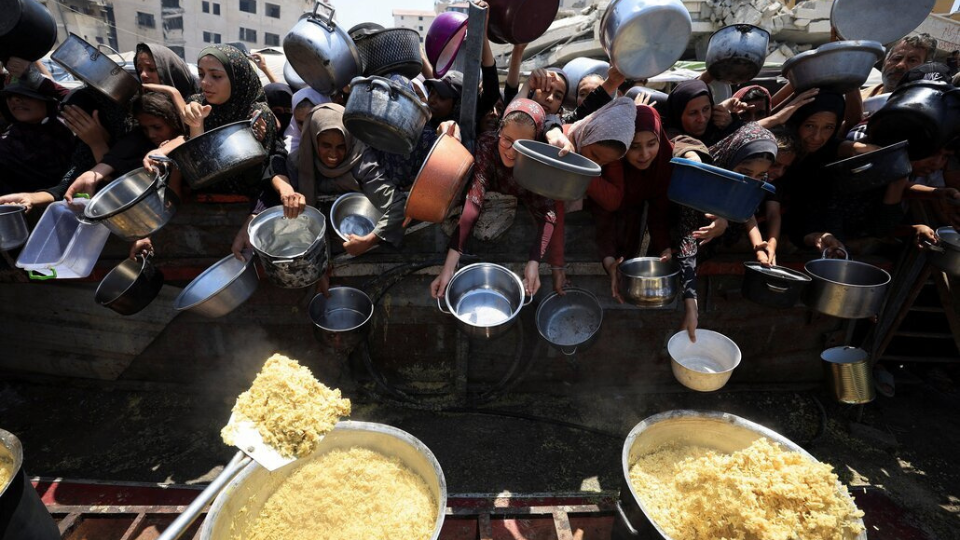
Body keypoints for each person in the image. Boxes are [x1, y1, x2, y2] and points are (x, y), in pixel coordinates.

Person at [431, 99, 563, 299]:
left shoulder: (537, 165)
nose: (511, 151)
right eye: (507, 139)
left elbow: (548, 213)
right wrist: (448, 268)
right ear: (499, 131)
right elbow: (474, 201)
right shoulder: (487, 145)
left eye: (522, 146)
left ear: (535, 144)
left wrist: (534, 262)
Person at [0, 83, 75, 199]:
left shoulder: (74, 129)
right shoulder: (6, 146)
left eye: (25, 95)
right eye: (9, 96)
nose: (15, 100)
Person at [664, 80, 741, 147]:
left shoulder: (719, 128)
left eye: (706, 109)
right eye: (693, 113)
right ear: (678, 115)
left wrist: (731, 126)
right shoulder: (669, 143)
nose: (702, 119)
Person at [861, 34, 938, 98]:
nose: (900, 65)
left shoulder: (925, 108)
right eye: (896, 58)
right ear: (885, 60)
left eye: (912, 60)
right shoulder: (861, 97)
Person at [134, 42, 200, 101]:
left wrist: (173, 93)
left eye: (151, 69)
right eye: (140, 70)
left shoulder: (197, 106)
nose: (143, 75)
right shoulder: (137, 106)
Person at [283, 87, 328, 153]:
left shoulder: (340, 141)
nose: (305, 129)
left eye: (311, 121)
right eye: (300, 123)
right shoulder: (290, 152)